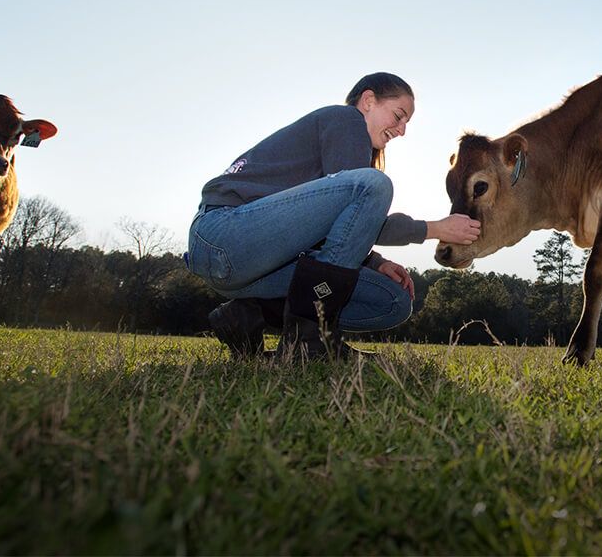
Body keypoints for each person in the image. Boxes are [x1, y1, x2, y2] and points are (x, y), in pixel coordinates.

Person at [185, 72, 479, 361]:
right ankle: (309, 342)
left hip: (255, 270)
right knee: (373, 184)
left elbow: (338, 225)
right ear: (368, 101)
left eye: (406, 123)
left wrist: (375, 262)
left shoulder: (350, 146)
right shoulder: (346, 120)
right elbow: (359, 199)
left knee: (393, 300)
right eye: (398, 115)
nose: (402, 130)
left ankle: (248, 314)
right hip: (223, 235)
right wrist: (436, 228)